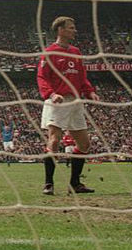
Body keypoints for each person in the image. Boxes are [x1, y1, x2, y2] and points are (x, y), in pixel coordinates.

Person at [37, 16, 98, 195]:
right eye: (71, 28)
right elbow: (41, 77)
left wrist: (89, 91)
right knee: (54, 140)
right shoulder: (49, 52)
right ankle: (48, 183)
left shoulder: (76, 52)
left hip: (75, 101)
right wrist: (51, 93)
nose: (74, 30)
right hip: (57, 101)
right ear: (60, 30)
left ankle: (75, 184)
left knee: (84, 144)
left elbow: (82, 77)